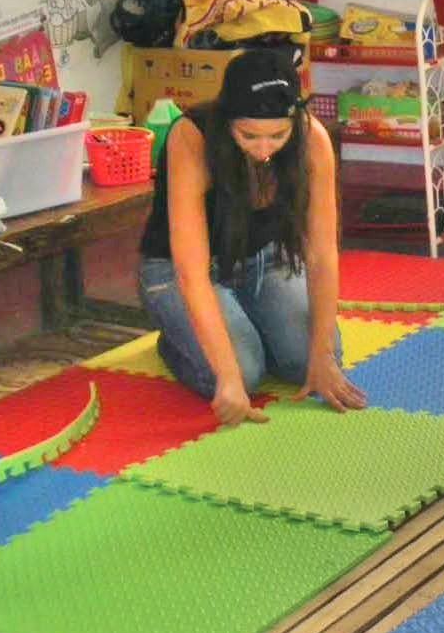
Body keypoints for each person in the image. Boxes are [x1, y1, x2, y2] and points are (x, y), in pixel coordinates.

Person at [137, 47, 366, 426]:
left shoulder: (313, 139)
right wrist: (226, 378)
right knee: (243, 374)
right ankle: (175, 341)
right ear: (228, 120)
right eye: (249, 135)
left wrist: (323, 357)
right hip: (184, 271)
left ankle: (247, 324)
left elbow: (322, 254)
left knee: (311, 361)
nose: (263, 150)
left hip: (264, 259)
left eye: (277, 135)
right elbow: (191, 272)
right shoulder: (191, 138)